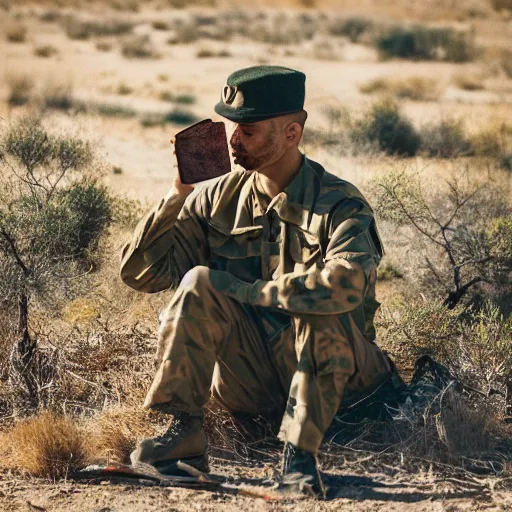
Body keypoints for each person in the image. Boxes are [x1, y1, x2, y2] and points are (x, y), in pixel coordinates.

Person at [120, 65, 396, 496]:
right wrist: (178, 194)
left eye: (247, 131)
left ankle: (299, 460)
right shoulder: (216, 198)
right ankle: (182, 437)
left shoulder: (339, 203)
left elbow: (346, 286)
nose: (233, 142)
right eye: (232, 128)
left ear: (291, 134)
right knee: (197, 283)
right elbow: (142, 274)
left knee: (317, 302)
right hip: (255, 381)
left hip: (342, 386)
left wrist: (253, 293)